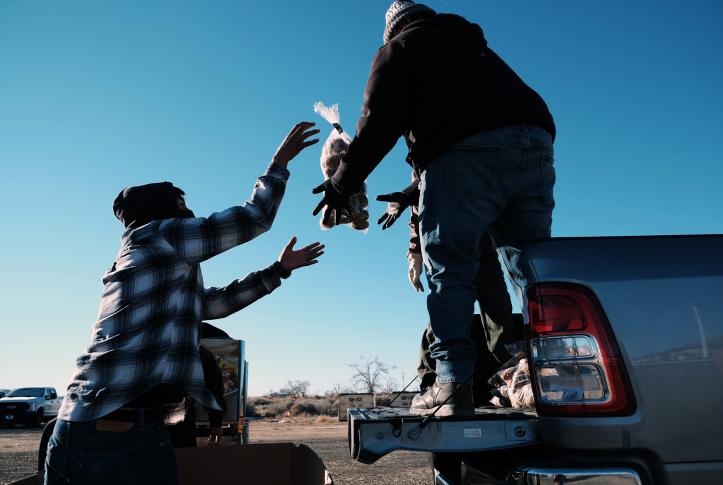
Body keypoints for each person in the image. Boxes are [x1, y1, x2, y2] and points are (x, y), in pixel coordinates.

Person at [312, 2, 556, 416]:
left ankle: (451, 384)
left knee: (450, 268)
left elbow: (379, 123)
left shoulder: (399, 48)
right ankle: (553, 375)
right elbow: (475, 121)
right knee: (533, 272)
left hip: (464, 155)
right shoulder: (475, 50)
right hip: (536, 146)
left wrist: (343, 183)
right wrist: (413, 191)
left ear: (391, 30)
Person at [45, 122, 323, 485]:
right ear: (158, 211)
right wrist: (280, 163)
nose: (189, 211)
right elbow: (254, 218)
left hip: (141, 429)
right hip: (102, 431)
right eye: (181, 204)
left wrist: (278, 271)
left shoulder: (163, 263)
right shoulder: (157, 236)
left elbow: (216, 304)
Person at [377, 176, 517, 406]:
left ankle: (508, 381)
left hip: (481, 239)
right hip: (444, 237)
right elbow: (421, 199)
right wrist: (415, 251)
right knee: (449, 310)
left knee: (498, 312)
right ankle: (439, 382)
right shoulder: (427, 153)